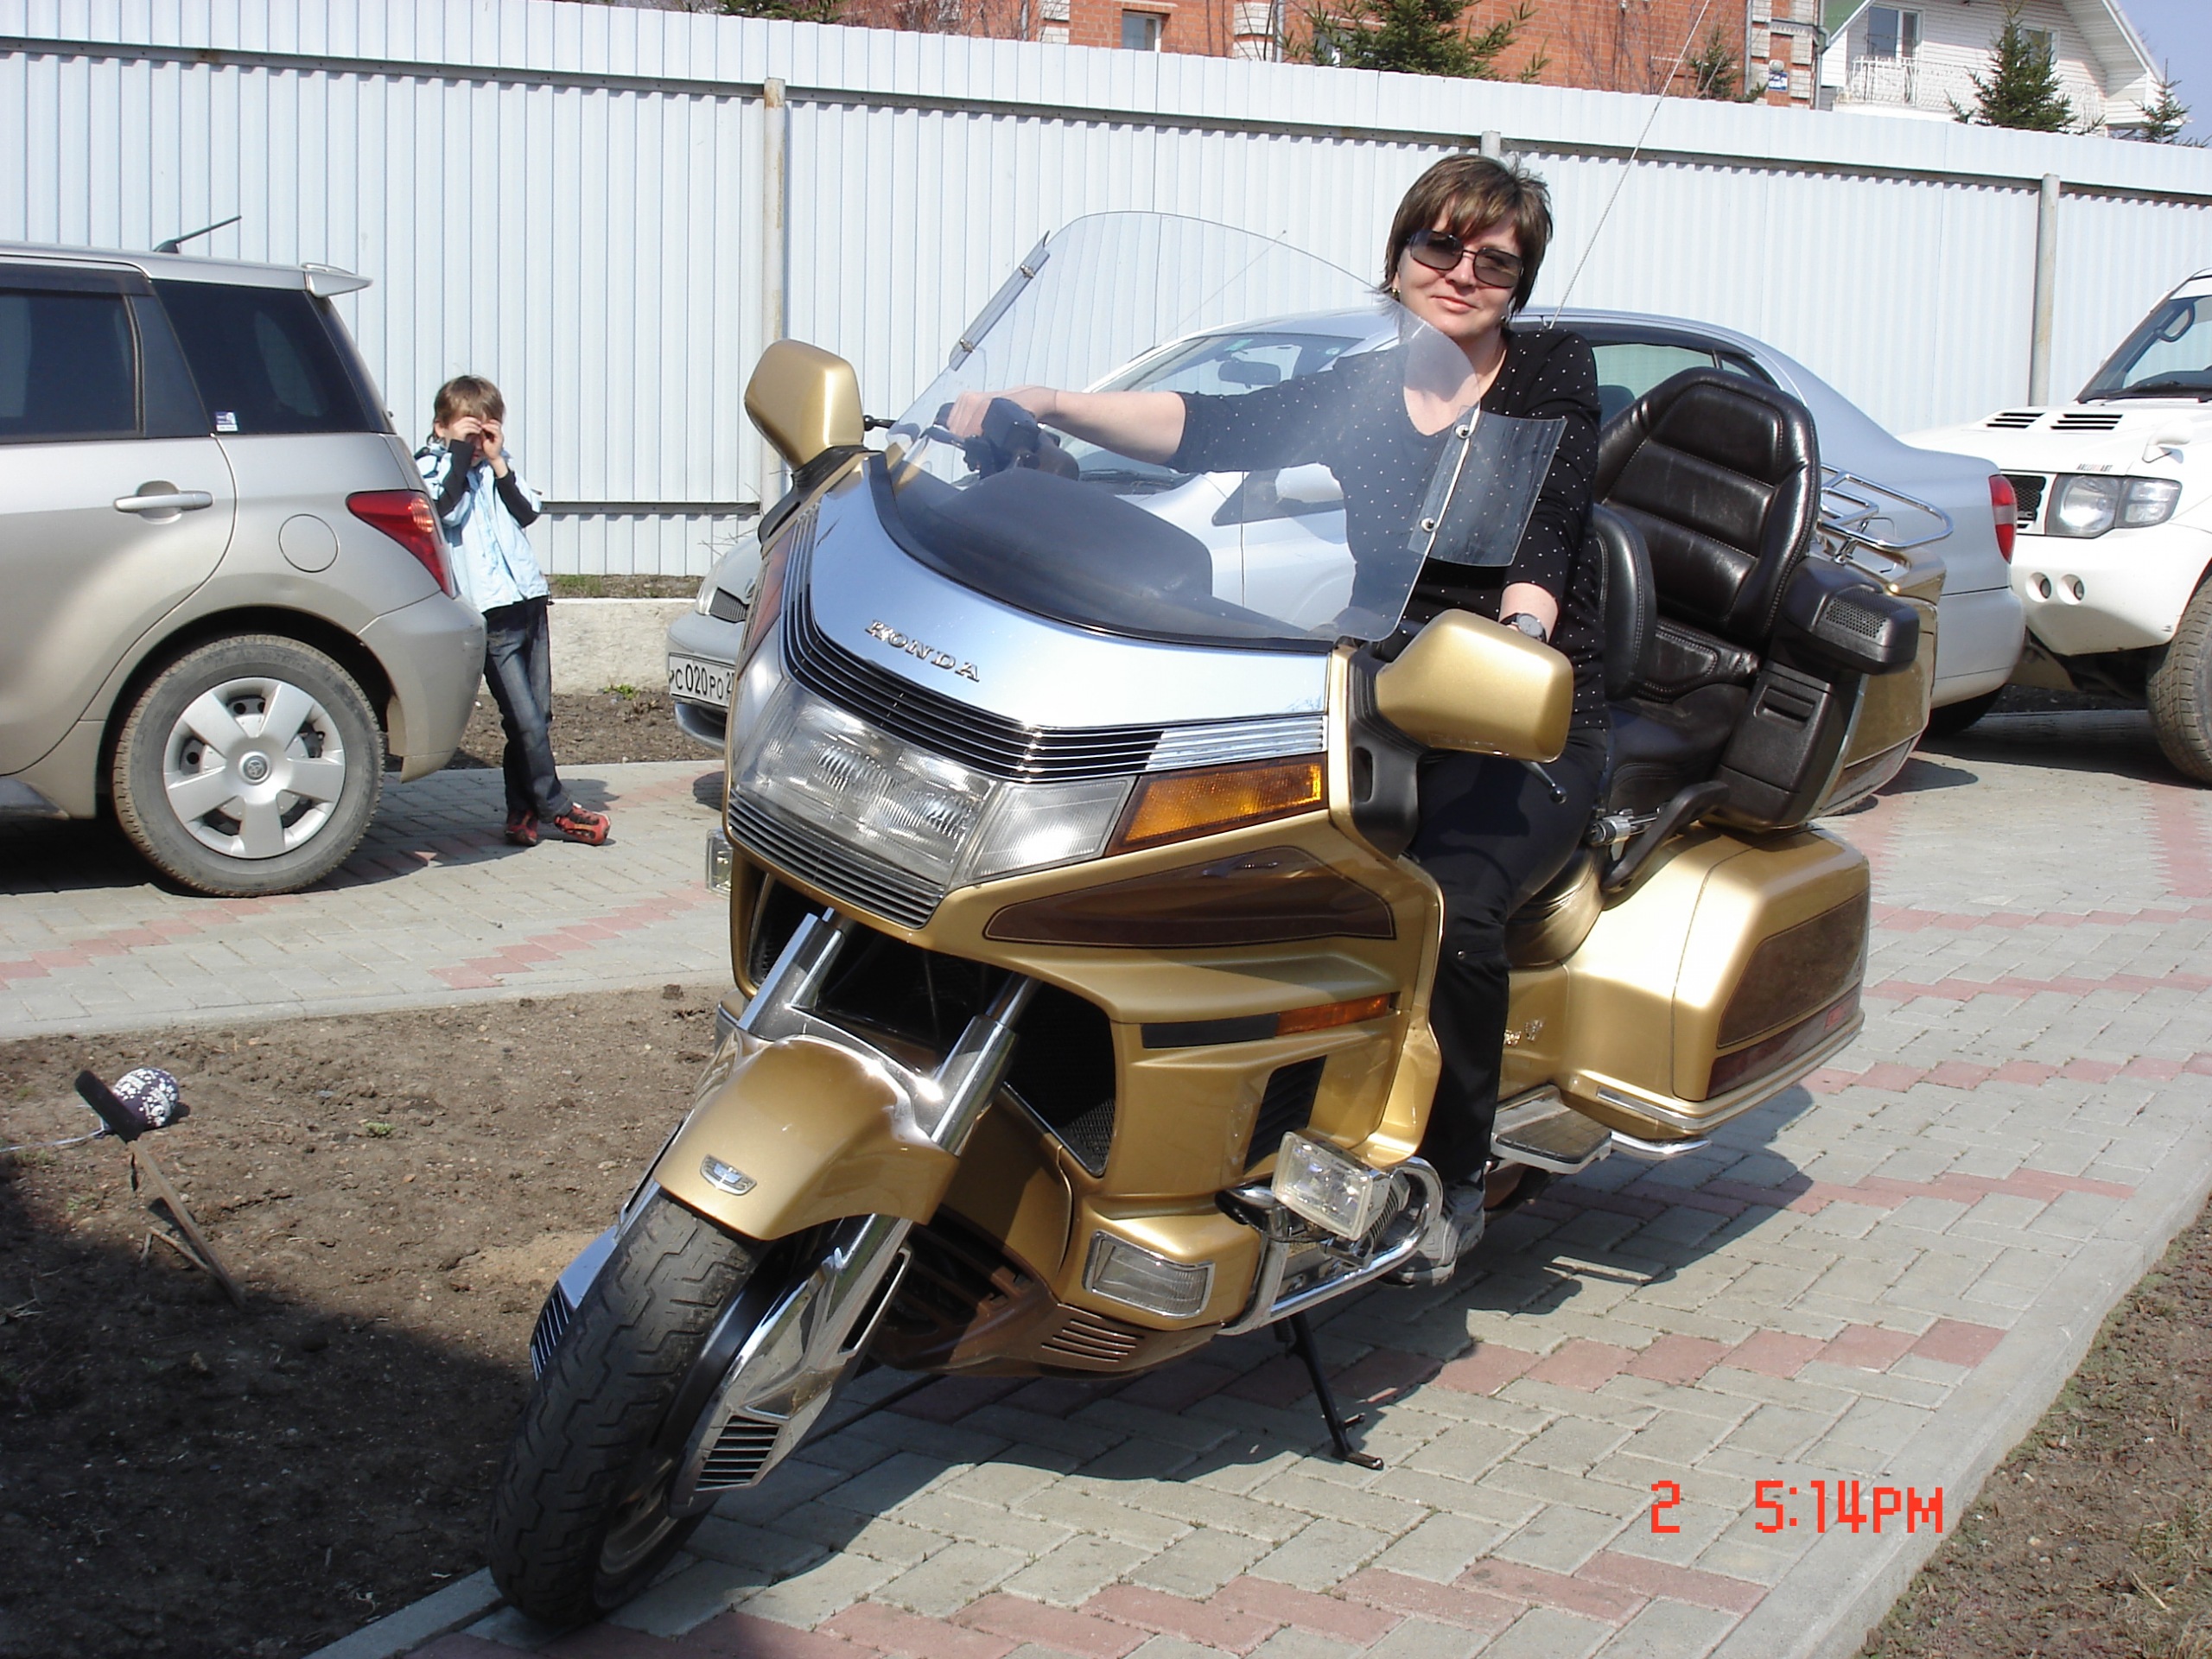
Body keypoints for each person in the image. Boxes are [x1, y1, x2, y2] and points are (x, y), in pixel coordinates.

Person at [948, 156, 1606, 1283]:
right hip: (1379, 687)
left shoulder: (1548, 372)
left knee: (1450, 906)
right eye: (1439, 247)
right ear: (1398, 255)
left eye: (1494, 262)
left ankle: (1455, 1176)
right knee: (1205, 852)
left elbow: (1548, 524)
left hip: (1516, 704)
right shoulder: (1366, 387)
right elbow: (1210, 425)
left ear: (1520, 284)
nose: (1462, 274)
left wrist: (1520, 639)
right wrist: (1048, 403)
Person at [417, 376, 611, 849]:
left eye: (486, 430)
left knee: (537, 717)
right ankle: (556, 806)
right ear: (441, 427)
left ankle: (521, 810)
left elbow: (527, 511)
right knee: (523, 718)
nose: (478, 441)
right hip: (491, 613)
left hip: (528, 601)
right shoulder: (431, 467)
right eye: (468, 429)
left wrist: (498, 462)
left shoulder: (495, 469)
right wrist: (458, 454)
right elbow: (445, 512)